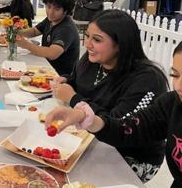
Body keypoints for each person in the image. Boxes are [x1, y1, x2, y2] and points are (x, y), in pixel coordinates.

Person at [50, 9, 168, 182]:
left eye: (97, 40)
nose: (87, 44)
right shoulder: (94, 60)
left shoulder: (147, 79)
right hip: (90, 139)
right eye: (87, 36)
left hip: (130, 155)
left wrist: (74, 99)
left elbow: (119, 127)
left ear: (120, 44)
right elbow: (77, 80)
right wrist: (66, 81)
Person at [16, 0, 79, 75]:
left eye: (56, 9)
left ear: (65, 11)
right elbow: (34, 31)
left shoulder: (66, 28)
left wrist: (26, 45)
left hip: (60, 74)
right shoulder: (51, 19)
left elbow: (52, 53)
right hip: (46, 65)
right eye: (49, 7)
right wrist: (16, 31)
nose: (51, 12)